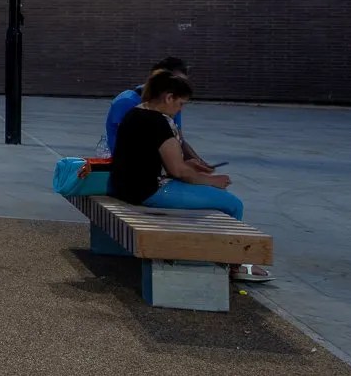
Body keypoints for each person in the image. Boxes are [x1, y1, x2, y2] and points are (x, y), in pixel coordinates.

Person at [109, 71, 270, 282]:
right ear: (169, 97)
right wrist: (213, 181)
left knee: (210, 195)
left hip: (125, 187)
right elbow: (178, 171)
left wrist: (189, 166)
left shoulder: (134, 114)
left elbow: (151, 159)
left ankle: (222, 255)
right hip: (148, 191)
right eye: (181, 104)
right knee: (233, 205)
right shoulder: (158, 122)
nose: (180, 109)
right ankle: (235, 264)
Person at [103, 56, 217, 175]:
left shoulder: (172, 103)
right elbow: (132, 148)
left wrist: (199, 162)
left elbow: (178, 140)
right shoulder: (127, 102)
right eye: (177, 84)